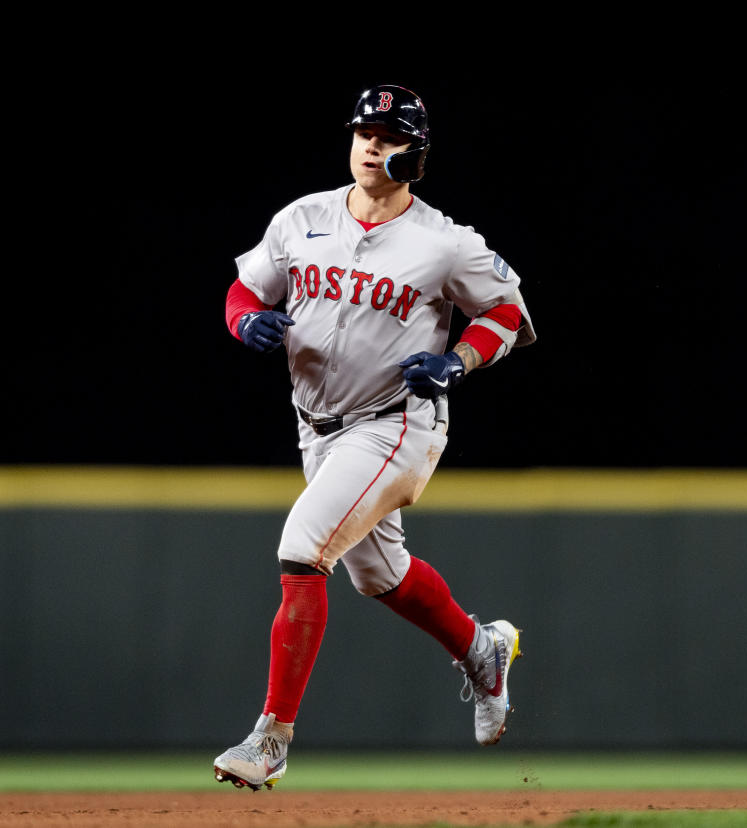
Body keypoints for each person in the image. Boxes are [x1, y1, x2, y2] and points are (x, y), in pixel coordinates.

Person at [213, 84, 536, 791]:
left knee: (303, 548)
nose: (371, 146)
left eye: (389, 138)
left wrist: (458, 358)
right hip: (318, 430)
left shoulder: (444, 242)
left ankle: (271, 740)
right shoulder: (304, 217)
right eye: (364, 132)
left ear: (414, 156)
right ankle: (481, 651)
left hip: (396, 422)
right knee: (381, 577)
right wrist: (244, 323)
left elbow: (508, 313)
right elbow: (245, 289)